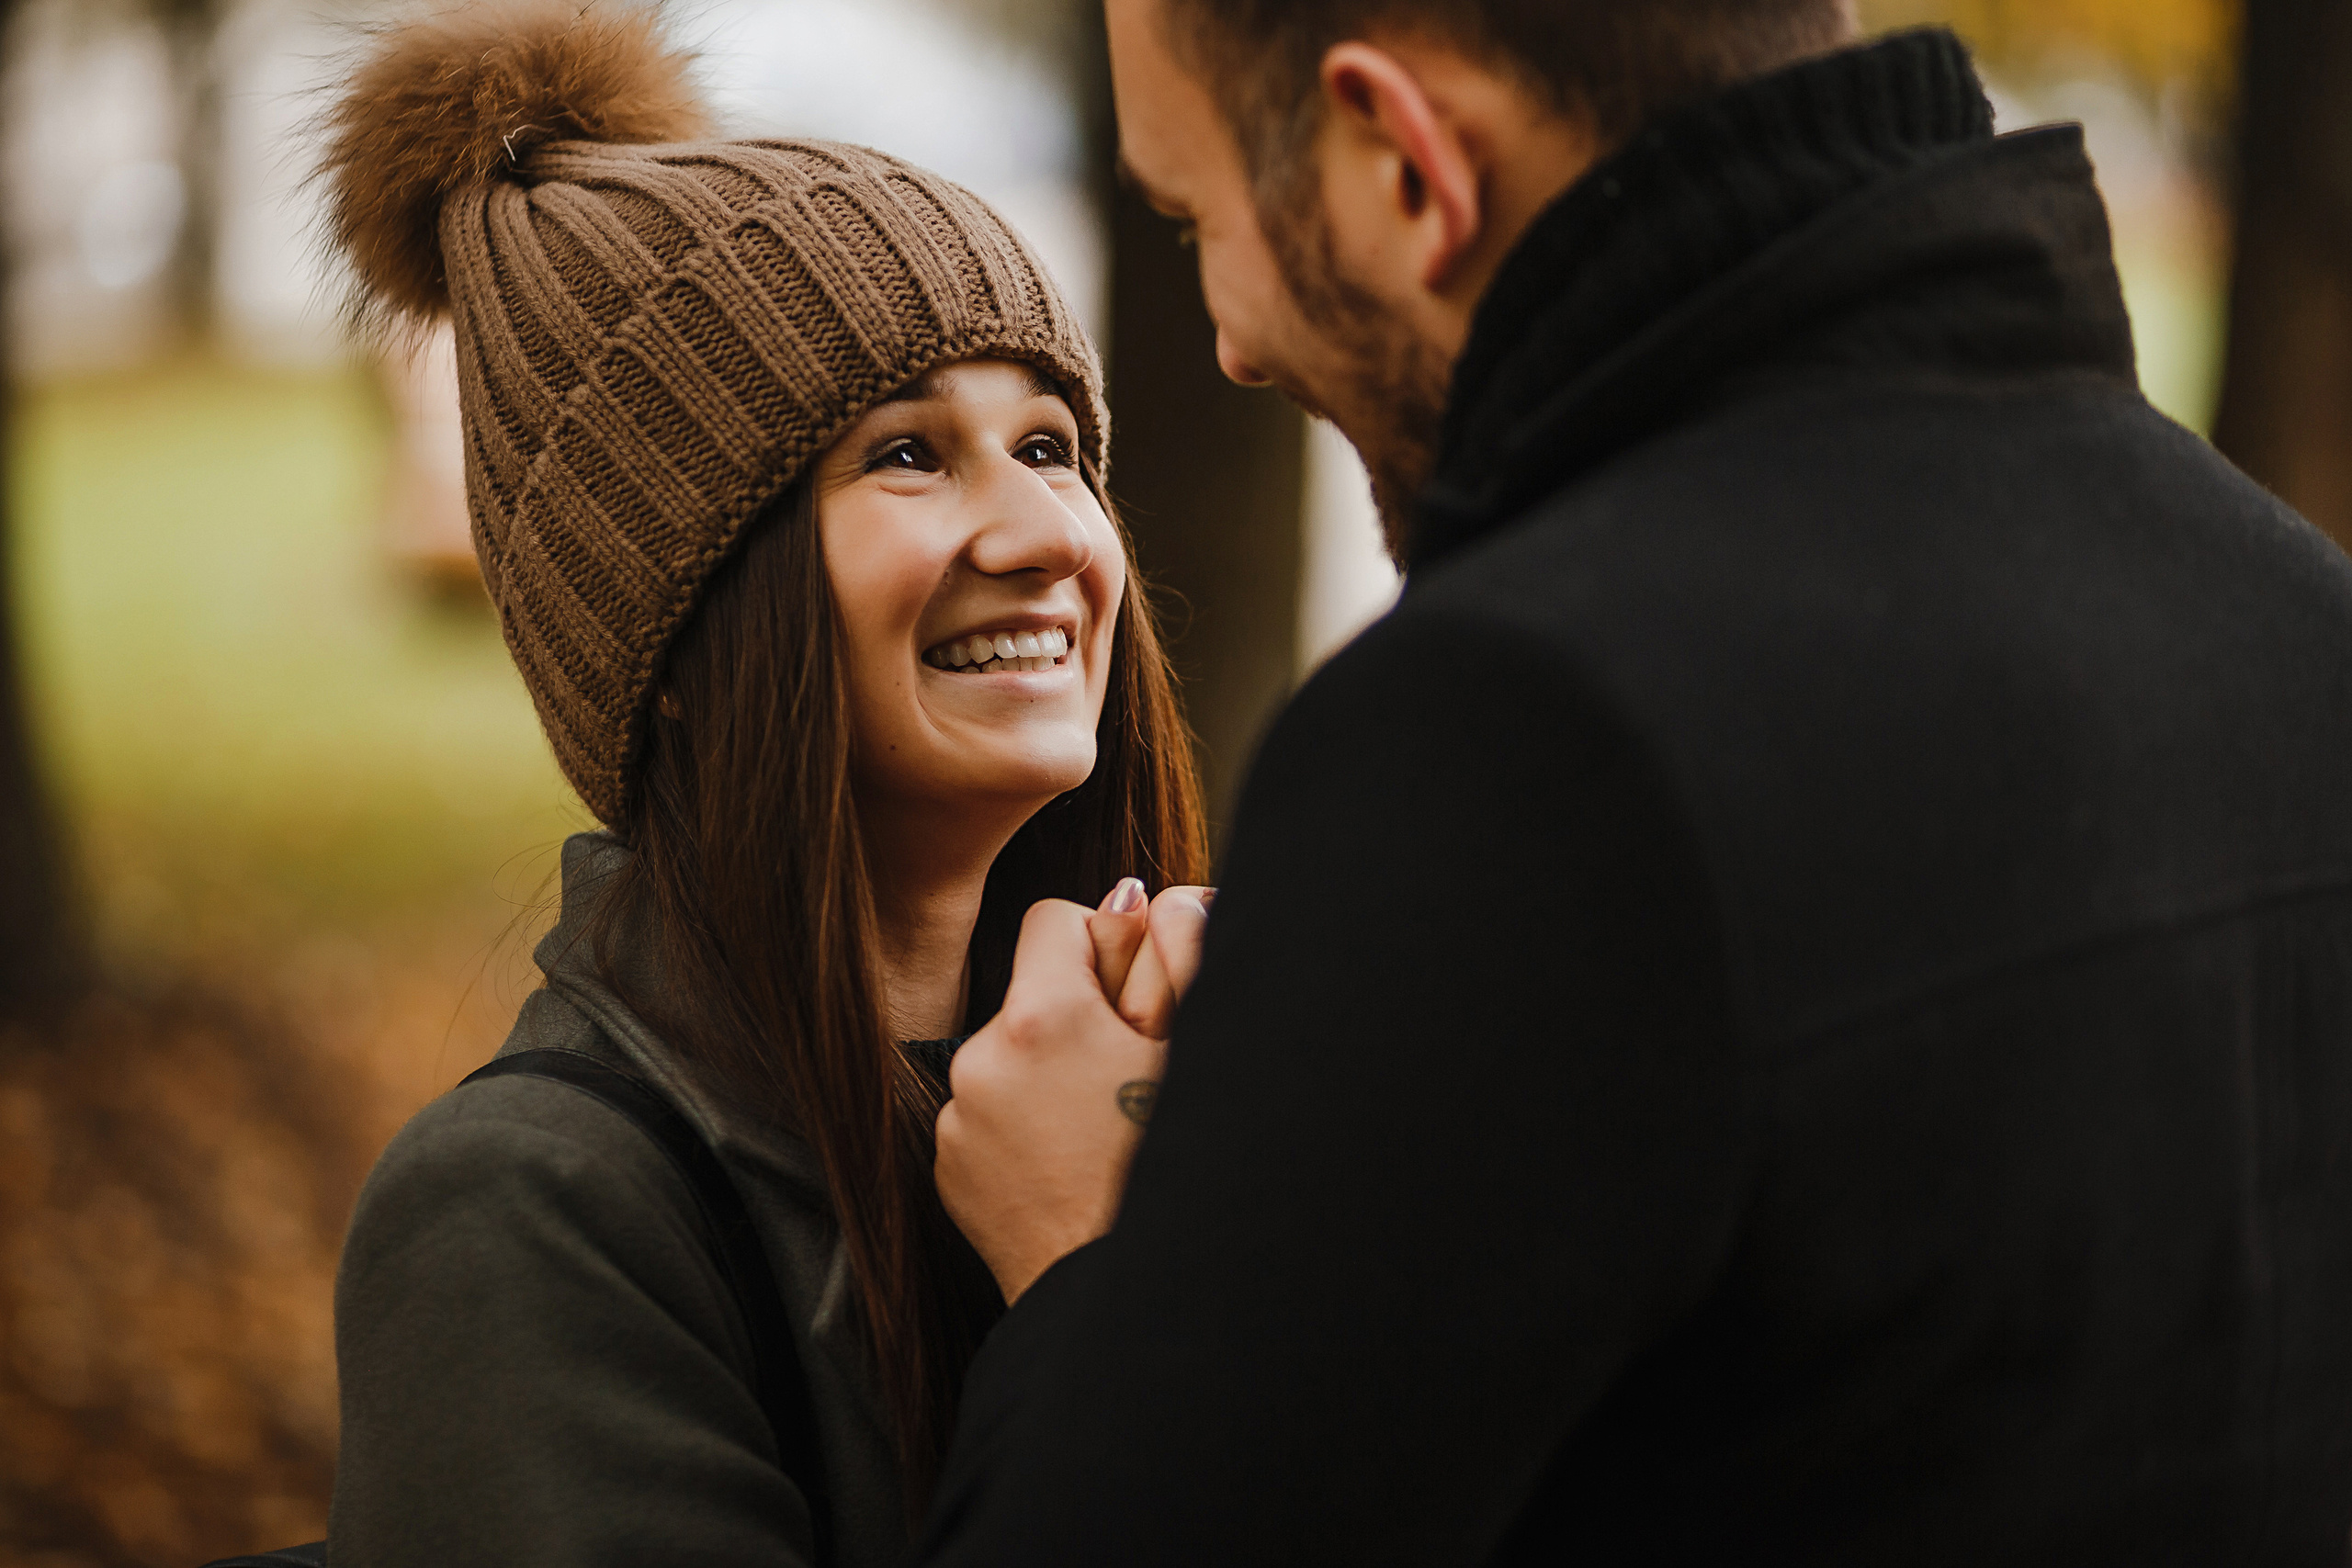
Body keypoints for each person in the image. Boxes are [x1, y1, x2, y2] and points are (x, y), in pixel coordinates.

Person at [922, 1, 2352, 1562]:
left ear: (1404, 162)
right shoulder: (2291, 611)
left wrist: (1081, 1266)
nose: (1233, 340)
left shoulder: (1521, 735)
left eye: (1200, 221)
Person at [311, 6, 1208, 1565]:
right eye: (907, 458)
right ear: (684, 610)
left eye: (1053, 445)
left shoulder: (1163, 1070)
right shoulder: (535, 1217)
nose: (1050, 536)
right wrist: (1093, 1290)